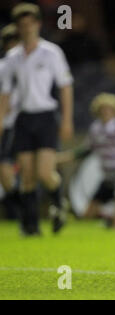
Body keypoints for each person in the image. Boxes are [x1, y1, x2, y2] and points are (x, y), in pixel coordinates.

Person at [0, 3, 74, 235]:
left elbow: (65, 87)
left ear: (38, 25)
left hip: (45, 116)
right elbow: (6, 93)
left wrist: (67, 120)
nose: (26, 28)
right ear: (18, 28)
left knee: (44, 173)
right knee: (27, 176)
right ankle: (30, 225)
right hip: (23, 118)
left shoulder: (51, 52)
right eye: (22, 25)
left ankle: (59, 201)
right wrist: (1, 119)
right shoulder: (12, 57)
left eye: (30, 24)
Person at [57, 93, 115, 228]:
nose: (106, 112)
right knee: (88, 214)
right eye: (102, 109)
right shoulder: (95, 129)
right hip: (107, 177)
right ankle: (114, 219)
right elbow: (86, 150)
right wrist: (62, 158)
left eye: (109, 109)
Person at [0, 24, 21, 220]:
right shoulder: (3, 68)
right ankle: (18, 209)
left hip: (24, 123)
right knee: (5, 169)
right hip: (7, 125)